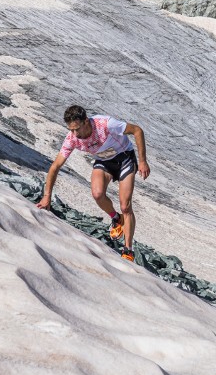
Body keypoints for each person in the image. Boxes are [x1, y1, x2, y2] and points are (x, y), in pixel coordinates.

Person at [37, 104, 150, 261]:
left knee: (125, 205)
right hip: (104, 162)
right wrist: (46, 195)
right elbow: (55, 166)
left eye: (77, 129)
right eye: (71, 129)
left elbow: (137, 130)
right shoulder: (72, 139)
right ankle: (116, 218)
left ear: (86, 121)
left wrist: (143, 161)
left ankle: (128, 249)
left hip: (124, 159)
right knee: (97, 194)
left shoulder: (105, 124)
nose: (74, 134)